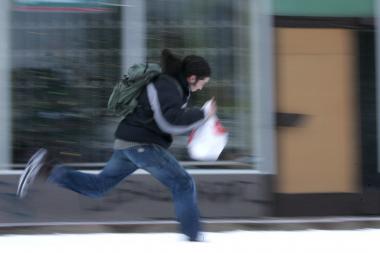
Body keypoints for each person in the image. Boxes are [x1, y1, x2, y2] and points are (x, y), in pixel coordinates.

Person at [17, 49, 216, 242]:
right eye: (203, 83)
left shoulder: (172, 87)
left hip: (128, 143)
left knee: (98, 187)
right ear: (192, 77)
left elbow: (169, 119)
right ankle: (193, 239)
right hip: (141, 145)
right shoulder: (168, 85)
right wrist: (202, 114)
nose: (201, 88)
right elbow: (169, 121)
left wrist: (199, 121)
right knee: (183, 183)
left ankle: (47, 167)